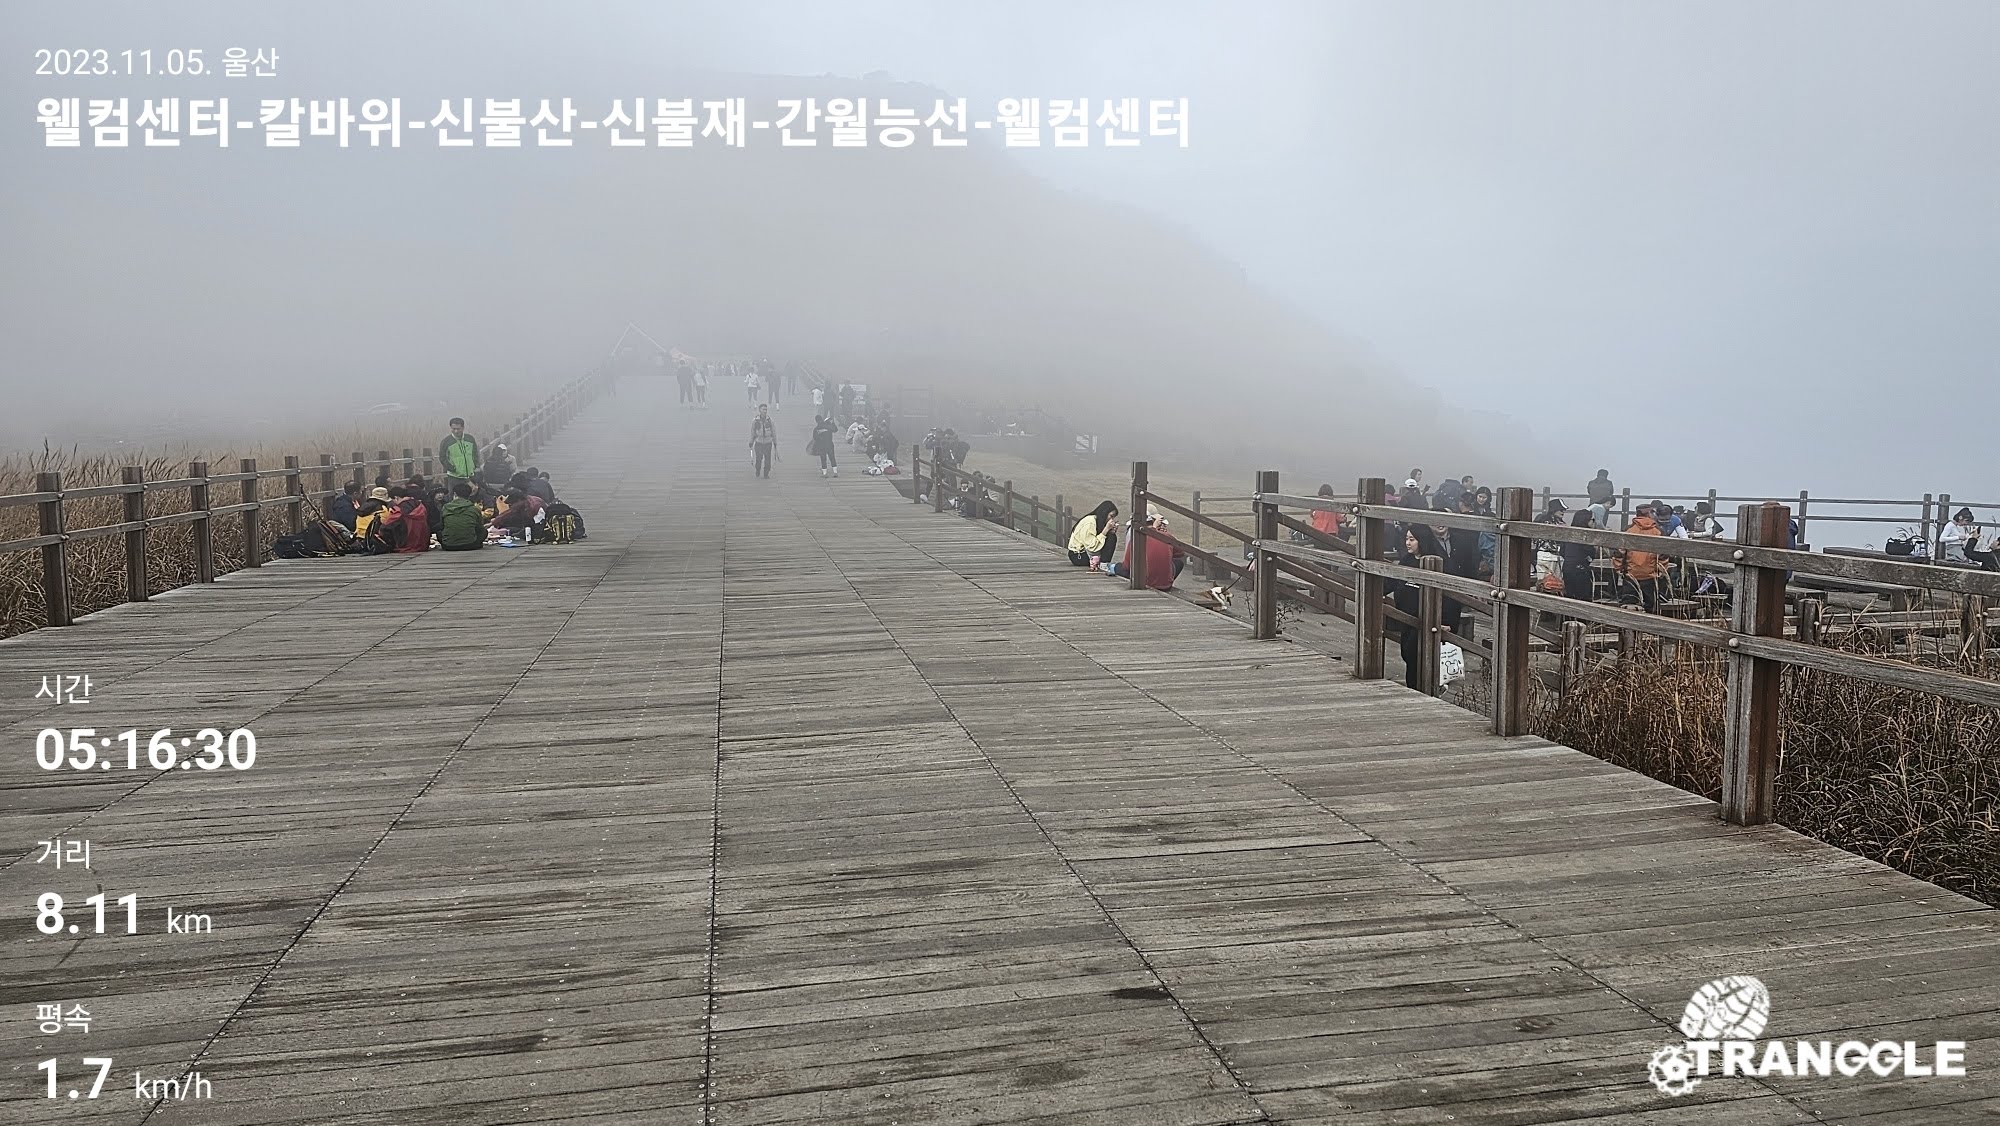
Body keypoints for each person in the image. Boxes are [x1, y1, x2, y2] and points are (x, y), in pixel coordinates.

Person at [1386, 524, 1457, 692]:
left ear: (1422, 540)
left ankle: (1427, 688)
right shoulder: (1407, 560)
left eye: (1412, 539)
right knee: (1408, 653)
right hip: (1408, 617)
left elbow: (1451, 596)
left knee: (1419, 654)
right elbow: (1393, 581)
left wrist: (1447, 621)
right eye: (1406, 539)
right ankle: (1414, 688)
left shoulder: (1440, 561)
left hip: (1430, 618)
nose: (1408, 543)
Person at [1102, 513, 1179, 590]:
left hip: (1145, 582)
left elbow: (1126, 566)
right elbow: (1179, 553)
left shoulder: (1136, 539)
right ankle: (1165, 580)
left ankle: (1109, 567)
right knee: (1178, 562)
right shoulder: (1167, 536)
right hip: (1166, 585)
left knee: (1119, 567)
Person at [1615, 504, 1667, 611]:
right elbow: (1663, 555)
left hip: (1631, 574)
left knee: (1628, 606)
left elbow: (1620, 552)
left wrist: (1618, 568)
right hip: (1651, 576)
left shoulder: (1628, 529)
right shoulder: (1658, 531)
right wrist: (1661, 572)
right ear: (1649, 513)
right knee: (1651, 607)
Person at [1067, 501, 1119, 568]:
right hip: (1078, 556)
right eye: (1111, 516)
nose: (1111, 520)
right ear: (1104, 513)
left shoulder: (1098, 521)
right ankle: (1103, 565)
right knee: (1111, 537)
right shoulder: (1090, 521)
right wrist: (1106, 529)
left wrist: (1110, 531)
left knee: (1111, 536)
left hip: (1088, 554)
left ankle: (1103, 564)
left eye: (1113, 518)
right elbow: (1091, 546)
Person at [1560, 510, 1598, 601]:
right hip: (1581, 569)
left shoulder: (1569, 533)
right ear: (1585, 520)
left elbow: (1562, 551)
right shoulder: (1585, 535)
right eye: (1592, 519)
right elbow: (1591, 552)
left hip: (1567, 568)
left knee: (1570, 596)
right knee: (1583, 597)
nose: (1594, 522)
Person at [438, 482, 487, 550]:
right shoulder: (474, 508)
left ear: (455, 494)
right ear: (469, 495)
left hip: (448, 546)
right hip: (471, 544)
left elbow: (442, 525)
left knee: (438, 532)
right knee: (484, 531)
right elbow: (479, 526)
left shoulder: (445, 507)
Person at [382, 487, 431, 553]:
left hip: (407, 546)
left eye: (393, 500)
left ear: (396, 497)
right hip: (423, 545)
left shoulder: (399, 510)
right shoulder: (421, 505)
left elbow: (386, 526)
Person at [438, 418, 480, 491]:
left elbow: (475, 453)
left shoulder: (470, 439)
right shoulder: (446, 441)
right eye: (453, 429)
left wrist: (474, 465)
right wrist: (452, 468)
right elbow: (442, 457)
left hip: (470, 475)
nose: (456, 431)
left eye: (458, 429)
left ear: (463, 428)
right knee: (454, 496)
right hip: (455, 477)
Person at [749, 404, 778, 478]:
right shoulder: (755, 421)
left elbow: (773, 431)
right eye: (763, 409)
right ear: (759, 410)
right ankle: (758, 469)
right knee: (759, 458)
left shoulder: (770, 420)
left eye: (766, 409)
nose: (765, 411)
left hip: (768, 442)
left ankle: (766, 473)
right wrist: (751, 441)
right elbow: (752, 431)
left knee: (768, 459)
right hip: (758, 442)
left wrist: (775, 442)